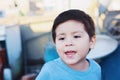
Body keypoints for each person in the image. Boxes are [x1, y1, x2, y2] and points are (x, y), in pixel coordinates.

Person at [35, 9, 101, 80]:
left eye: (76, 36)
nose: (68, 43)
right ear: (55, 43)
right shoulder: (50, 71)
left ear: (91, 41)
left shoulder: (96, 69)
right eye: (62, 38)